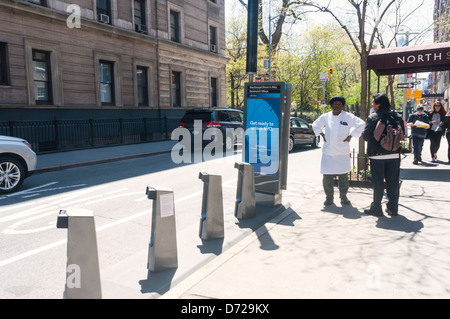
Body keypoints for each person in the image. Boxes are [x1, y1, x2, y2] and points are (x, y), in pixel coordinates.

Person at [312, 96, 365, 206]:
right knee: (327, 176)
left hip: (342, 152)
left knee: (343, 176)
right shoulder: (325, 117)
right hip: (328, 152)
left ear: (342, 106)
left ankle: (343, 197)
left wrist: (351, 135)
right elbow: (315, 125)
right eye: (335, 104)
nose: (337, 106)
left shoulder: (348, 117)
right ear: (331, 105)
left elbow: (361, 124)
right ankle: (329, 197)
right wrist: (321, 134)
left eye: (339, 104)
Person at [362, 93, 405, 217]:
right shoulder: (396, 117)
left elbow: (365, 136)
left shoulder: (373, 117)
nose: (372, 104)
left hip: (377, 155)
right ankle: (393, 208)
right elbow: (402, 133)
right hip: (394, 154)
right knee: (393, 182)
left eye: (373, 102)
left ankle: (376, 207)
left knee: (378, 182)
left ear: (378, 104)